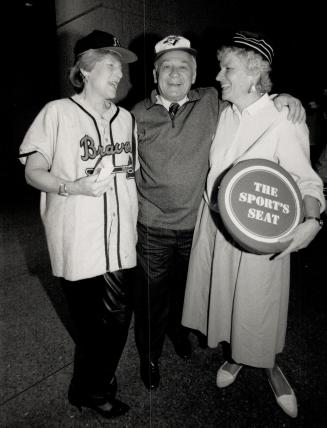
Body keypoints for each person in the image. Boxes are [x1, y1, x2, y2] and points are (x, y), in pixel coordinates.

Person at [131, 34, 305, 390]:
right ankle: (150, 357)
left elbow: (259, 107)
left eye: (184, 67)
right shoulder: (136, 114)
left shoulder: (212, 102)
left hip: (199, 226)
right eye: (166, 67)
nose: (175, 74)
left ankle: (188, 340)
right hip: (156, 226)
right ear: (154, 73)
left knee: (191, 294)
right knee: (152, 299)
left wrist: (287, 98)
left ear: (195, 76)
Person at [182, 31, 325, 418]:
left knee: (259, 305)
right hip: (216, 226)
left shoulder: (283, 117)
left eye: (227, 68)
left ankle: (269, 365)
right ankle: (237, 356)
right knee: (228, 299)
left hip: (260, 233)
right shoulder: (225, 113)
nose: (219, 75)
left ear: (253, 73)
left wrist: (312, 219)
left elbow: (305, 178)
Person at [19, 30, 138, 419]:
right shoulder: (56, 113)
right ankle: (91, 388)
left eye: (121, 68)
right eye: (110, 65)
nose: (119, 74)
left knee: (118, 318)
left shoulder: (127, 119)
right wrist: (72, 186)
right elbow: (33, 171)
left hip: (120, 239)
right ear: (84, 70)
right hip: (76, 238)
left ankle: (92, 384)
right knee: (91, 327)